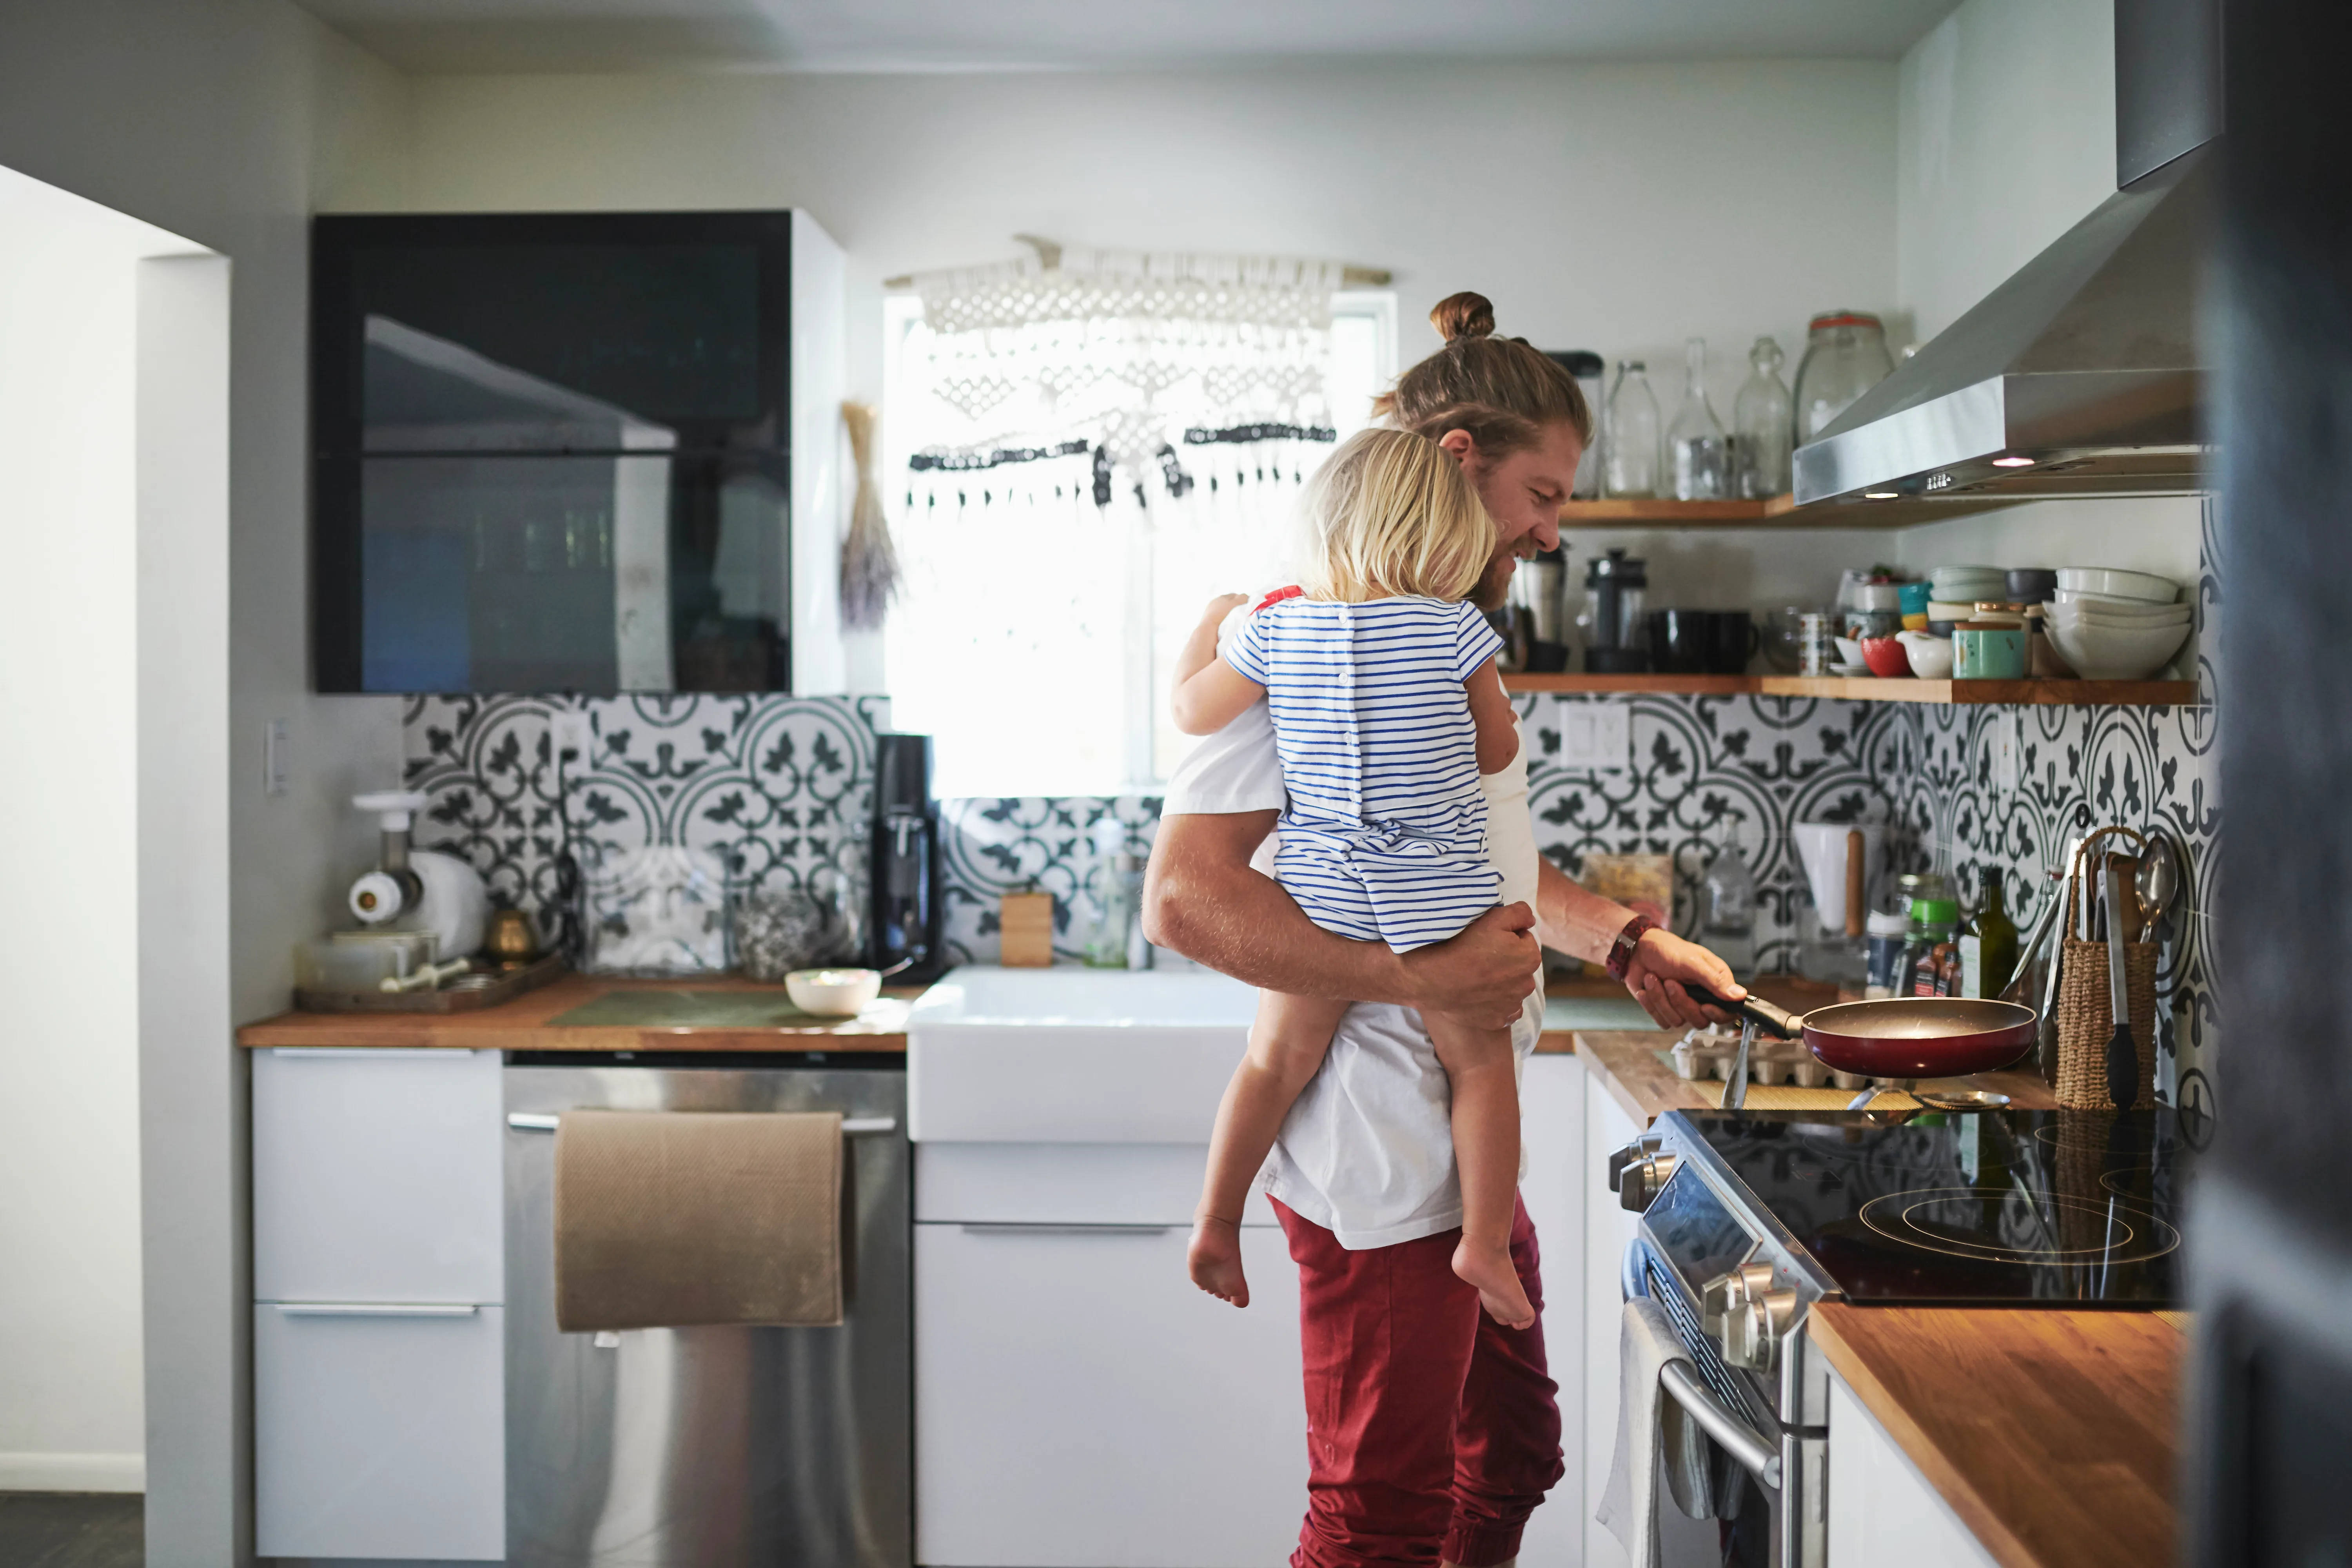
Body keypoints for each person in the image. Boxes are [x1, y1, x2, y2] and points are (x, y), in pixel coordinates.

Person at [1141, 291, 1743, 1568]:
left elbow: (1483, 863)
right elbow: (1186, 901)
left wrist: (1623, 940)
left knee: (1516, 1460)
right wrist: (1425, 977)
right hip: (1378, 1154)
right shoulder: (1299, 635)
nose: (1552, 528)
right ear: (1460, 463)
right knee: (1376, 1522)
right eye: (1544, 492)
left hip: (1461, 1141)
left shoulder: (1437, 629)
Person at [1171, 427, 1535, 1331]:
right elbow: (1499, 749)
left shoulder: (1274, 624)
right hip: (1438, 894)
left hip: (1324, 888)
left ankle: (1218, 1219)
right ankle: (1485, 1239)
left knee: (1273, 1059)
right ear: (1449, 536)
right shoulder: (1458, 626)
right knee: (1480, 1062)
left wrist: (1211, 624)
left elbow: (1189, 711)